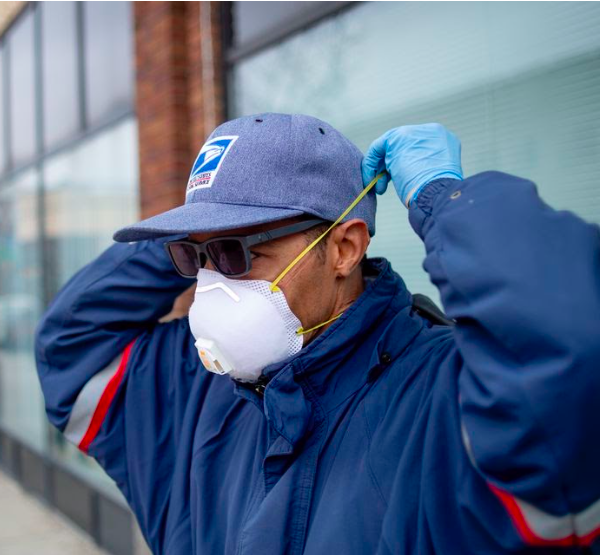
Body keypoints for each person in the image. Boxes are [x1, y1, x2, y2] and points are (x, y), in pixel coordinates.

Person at [35, 114, 600, 553]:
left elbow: (565, 354)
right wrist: (199, 221)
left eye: (234, 252)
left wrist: (443, 203)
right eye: (191, 256)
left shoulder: (443, 397)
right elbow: (71, 350)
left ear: (344, 248)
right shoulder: (196, 392)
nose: (210, 283)